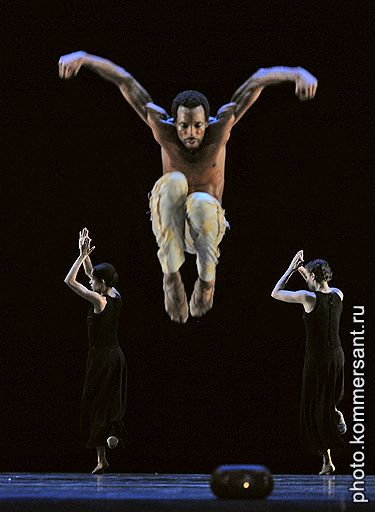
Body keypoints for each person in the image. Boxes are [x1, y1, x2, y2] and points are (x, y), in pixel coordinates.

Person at [59, 51, 318, 323]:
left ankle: (207, 281)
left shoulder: (222, 127)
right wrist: (83, 58)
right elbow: (125, 81)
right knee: (172, 182)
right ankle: (171, 277)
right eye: (183, 126)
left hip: (207, 226)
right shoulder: (161, 127)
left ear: (208, 122)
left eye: (197, 126)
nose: (191, 133)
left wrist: (298, 72)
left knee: (201, 202)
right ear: (173, 123)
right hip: (172, 224)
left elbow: (258, 80)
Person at [271, 250, 346, 475]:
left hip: (317, 360)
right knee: (323, 405)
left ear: (313, 277)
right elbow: (317, 283)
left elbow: (275, 293)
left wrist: (291, 269)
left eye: (309, 276)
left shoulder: (307, 297)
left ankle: (333, 418)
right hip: (337, 357)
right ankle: (327, 459)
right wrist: (304, 268)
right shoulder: (339, 294)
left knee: (315, 409)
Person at [64, 228, 126, 474]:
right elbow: (92, 274)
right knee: (109, 401)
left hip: (101, 359)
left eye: (94, 282)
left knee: (97, 404)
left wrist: (80, 257)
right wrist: (85, 252)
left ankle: (107, 445)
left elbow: (70, 281)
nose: (91, 281)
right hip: (116, 356)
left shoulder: (98, 300)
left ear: (100, 285)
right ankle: (105, 453)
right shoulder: (114, 294)